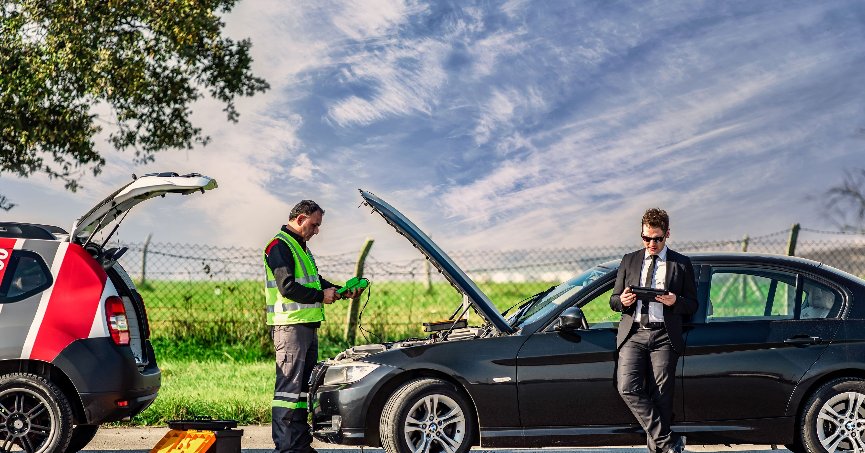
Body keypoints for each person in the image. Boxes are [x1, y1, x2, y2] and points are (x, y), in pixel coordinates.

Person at [263, 200, 364, 453]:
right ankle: (287, 447)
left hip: (305, 327)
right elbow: (287, 287)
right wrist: (321, 296)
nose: (317, 230)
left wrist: (339, 292)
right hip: (290, 328)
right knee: (288, 391)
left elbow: (314, 282)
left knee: (301, 392)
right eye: (314, 225)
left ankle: (299, 444)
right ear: (300, 219)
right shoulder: (279, 246)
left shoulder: (300, 247)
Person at [609, 208, 698, 453]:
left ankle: (660, 449)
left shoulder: (681, 263)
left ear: (667, 234)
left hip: (664, 336)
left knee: (661, 397)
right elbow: (614, 300)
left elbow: (693, 304)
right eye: (646, 238)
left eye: (657, 238)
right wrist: (624, 300)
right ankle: (668, 442)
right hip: (634, 334)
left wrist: (674, 301)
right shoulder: (629, 260)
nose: (651, 243)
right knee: (627, 386)